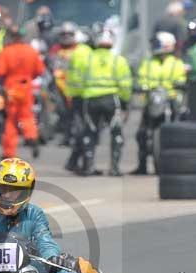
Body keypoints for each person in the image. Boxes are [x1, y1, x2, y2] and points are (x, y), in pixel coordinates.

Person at [131, 32, 186, 175]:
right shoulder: (148, 63)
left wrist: (180, 85)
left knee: (182, 125)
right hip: (152, 100)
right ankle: (142, 165)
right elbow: (141, 78)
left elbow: (182, 79)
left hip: (171, 100)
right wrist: (141, 86)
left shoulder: (176, 63)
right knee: (141, 133)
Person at [79, 28, 132, 177]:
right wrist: (125, 102)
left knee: (89, 132)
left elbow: (77, 80)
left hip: (90, 100)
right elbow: (125, 85)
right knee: (116, 132)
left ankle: (88, 167)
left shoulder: (87, 59)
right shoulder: (118, 60)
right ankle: (114, 168)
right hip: (111, 100)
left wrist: (78, 98)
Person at [0, 25, 45, 159]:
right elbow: (40, 70)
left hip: (11, 88)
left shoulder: (6, 52)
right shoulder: (31, 51)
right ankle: (31, 136)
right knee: (27, 116)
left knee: (10, 120)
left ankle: (9, 152)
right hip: (26, 87)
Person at [63, 28, 93, 172]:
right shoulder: (87, 53)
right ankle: (78, 162)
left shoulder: (76, 53)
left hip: (75, 95)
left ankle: (74, 161)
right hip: (85, 96)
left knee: (82, 129)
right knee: (86, 131)